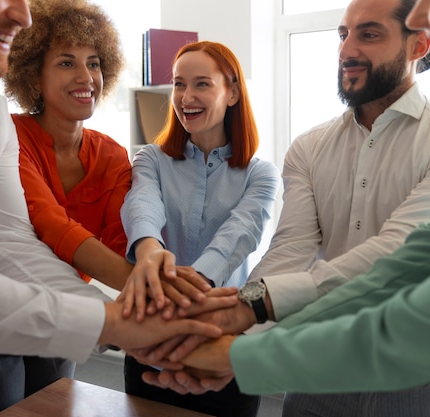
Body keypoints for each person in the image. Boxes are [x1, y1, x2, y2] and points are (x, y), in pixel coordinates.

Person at [0, 0, 235, 416]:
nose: (23, 15)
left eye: (93, 63)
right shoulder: (14, 129)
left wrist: (140, 316)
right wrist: (120, 322)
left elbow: (14, 246)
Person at [137, 0, 430, 414]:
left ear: (418, 45)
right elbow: (289, 252)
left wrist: (245, 314)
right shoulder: (310, 148)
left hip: (418, 379)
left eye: (368, 34)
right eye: (342, 34)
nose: (346, 51)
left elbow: (399, 255)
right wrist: (232, 343)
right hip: (316, 371)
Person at [0, 1, 135, 416]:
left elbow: (123, 247)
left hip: (59, 312)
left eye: (94, 63)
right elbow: (50, 225)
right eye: (67, 63)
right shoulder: (9, 134)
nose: (86, 77)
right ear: (33, 73)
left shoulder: (114, 157)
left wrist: (152, 282)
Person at [119, 40, 280, 417]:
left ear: (233, 93)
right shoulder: (151, 159)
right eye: (178, 84)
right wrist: (148, 250)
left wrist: (187, 290)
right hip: (151, 342)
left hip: (223, 348)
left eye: (202, 84)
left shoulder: (260, 174)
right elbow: (142, 204)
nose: (186, 96)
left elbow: (238, 237)